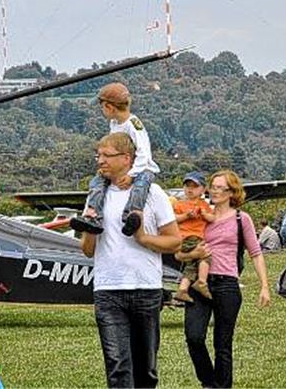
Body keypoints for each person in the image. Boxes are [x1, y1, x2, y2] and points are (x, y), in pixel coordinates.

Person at [80, 133, 181, 388]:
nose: (100, 161)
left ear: (126, 158)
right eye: (98, 155)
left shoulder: (153, 193)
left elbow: (174, 241)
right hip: (108, 289)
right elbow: (87, 250)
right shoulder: (96, 196)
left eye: (106, 155)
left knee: (146, 368)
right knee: (117, 366)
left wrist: (144, 238)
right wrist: (90, 228)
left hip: (145, 288)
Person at [180, 170, 271, 388]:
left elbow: (255, 253)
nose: (216, 191)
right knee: (194, 337)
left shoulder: (241, 218)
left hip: (226, 284)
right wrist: (193, 255)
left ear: (232, 192)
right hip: (198, 283)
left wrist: (264, 286)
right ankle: (209, 382)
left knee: (223, 344)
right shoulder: (200, 215)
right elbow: (178, 252)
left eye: (221, 187)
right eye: (213, 186)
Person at [71, 82, 160, 236]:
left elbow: (144, 154)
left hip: (141, 167)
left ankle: (133, 215)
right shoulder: (114, 123)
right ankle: (93, 215)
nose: (102, 111)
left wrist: (132, 175)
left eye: (102, 107)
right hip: (121, 166)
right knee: (97, 182)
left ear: (109, 107)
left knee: (140, 187)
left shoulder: (133, 125)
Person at [173, 171, 215, 303]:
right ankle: (202, 281)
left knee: (191, 265)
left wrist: (204, 214)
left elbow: (212, 218)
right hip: (188, 238)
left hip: (192, 239)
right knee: (206, 255)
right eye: (187, 186)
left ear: (203, 189)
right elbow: (172, 219)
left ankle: (182, 289)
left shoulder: (204, 205)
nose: (190, 189)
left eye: (194, 186)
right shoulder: (179, 204)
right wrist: (186, 216)